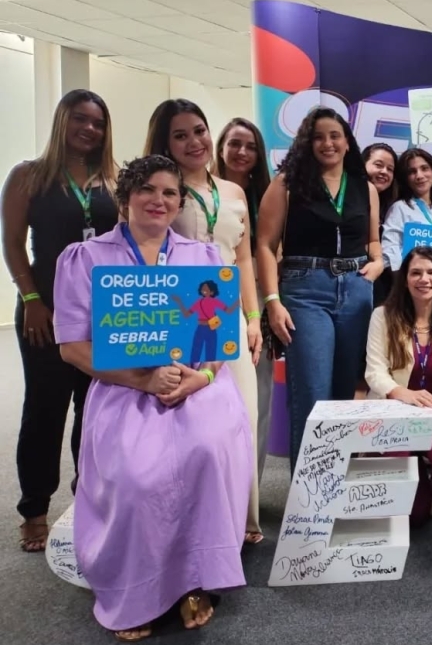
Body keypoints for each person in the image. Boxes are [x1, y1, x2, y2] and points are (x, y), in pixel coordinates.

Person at [54, 155, 251, 641]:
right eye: (147, 191)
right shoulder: (86, 258)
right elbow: (73, 347)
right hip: (126, 386)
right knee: (139, 476)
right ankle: (135, 591)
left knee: (207, 449)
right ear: (125, 198)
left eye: (169, 193)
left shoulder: (203, 258)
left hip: (195, 383)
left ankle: (194, 581)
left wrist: (198, 379)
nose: (158, 201)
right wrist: (142, 382)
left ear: (179, 201)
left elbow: (220, 344)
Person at [1, 89, 119, 552]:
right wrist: (30, 297)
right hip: (44, 311)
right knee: (45, 409)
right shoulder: (29, 176)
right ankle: (33, 509)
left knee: (96, 412)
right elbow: (12, 243)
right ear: (61, 121)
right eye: (80, 119)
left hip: (102, 314)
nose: (89, 129)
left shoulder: (113, 180)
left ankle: (87, 498)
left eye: (98, 122)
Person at [146, 99, 263, 543]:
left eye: (198, 130)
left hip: (229, 319)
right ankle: (193, 529)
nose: (194, 142)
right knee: (193, 423)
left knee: (242, 418)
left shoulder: (232, 193)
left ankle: (241, 521)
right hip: (181, 318)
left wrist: (253, 317)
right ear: (165, 142)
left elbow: (245, 258)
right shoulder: (161, 193)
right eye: (180, 135)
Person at [255, 107, 384, 470]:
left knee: (344, 393)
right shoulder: (287, 185)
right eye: (318, 137)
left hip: (356, 289)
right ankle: (308, 501)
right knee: (312, 394)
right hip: (305, 289)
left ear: (346, 142)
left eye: (334, 135)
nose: (327, 143)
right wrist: (271, 301)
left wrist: (377, 262)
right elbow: (264, 245)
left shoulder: (365, 187)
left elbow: (373, 241)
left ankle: (334, 484)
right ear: (307, 143)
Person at [365, 247, 432, 524]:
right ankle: (415, 476)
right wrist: (403, 393)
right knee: (413, 515)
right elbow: (374, 372)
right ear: (405, 279)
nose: (424, 279)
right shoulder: (383, 316)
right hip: (395, 410)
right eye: (416, 272)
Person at [215, 116, 277, 498]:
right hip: (208, 299)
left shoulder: (267, 194)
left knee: (258, 394)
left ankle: (247, 494)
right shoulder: (198, 192)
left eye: (251, 146)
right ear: (220, 147)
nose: (242, 152)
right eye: (235, 143)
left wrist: (267, 303)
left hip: (257, 299)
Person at [381, 148, 432, 271]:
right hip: (410, 283)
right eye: (412, 172)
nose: (419, 176)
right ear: (406, 179)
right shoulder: (400, 208)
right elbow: (389, 249)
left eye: (424, 168)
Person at [362, 143, 398, 305]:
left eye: (390, 169)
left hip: (381, 283)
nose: (384, 172)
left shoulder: (392, 207)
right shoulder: (348, 198)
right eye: (378, 165)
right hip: (351, 276)